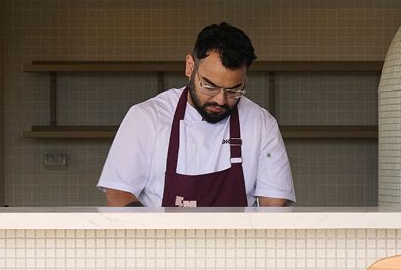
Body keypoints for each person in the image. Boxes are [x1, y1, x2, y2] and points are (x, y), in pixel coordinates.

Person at [98, 22, 294, 208]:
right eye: (210, 86)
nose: (220, 100)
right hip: (161, 233)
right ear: (190, 67)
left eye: (234, 90)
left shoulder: (261, 124)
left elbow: (274, 203)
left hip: (236, 234)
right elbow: (118, 194)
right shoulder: (147, 118)